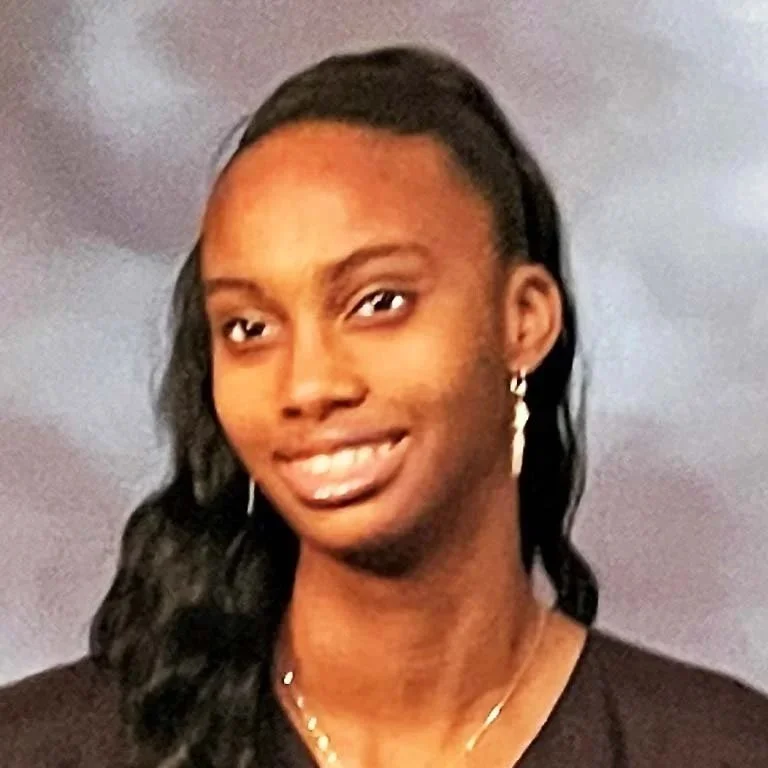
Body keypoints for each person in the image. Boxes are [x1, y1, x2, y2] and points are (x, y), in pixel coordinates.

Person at [1, 44, 766, 768]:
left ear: (523, 319)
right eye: (249, 327)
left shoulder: (717, 749)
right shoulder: (43, 747)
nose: (307, 386)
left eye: (378, 302)